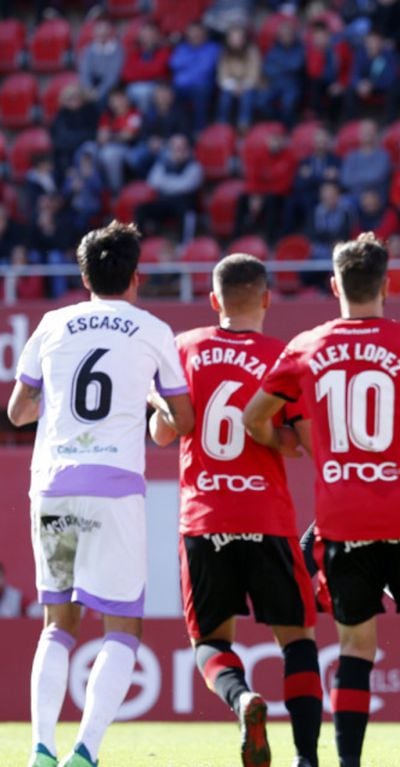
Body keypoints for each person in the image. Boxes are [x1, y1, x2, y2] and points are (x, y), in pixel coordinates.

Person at [243, 234, 400, 767]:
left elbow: (253, 418)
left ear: (334, 285)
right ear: (386, 285)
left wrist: (294, 444)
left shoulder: (307, 345)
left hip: (342, 521)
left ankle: (349, 763)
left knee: (356, 648)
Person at [9, 221, 195, 767]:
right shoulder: (151, 329)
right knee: (122, 625)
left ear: (83, 274)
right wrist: (150, 402)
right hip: (114, 492)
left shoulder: (50, 324)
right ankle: (85, 752)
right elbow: (181, 419)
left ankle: (41, 748)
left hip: (54, 489)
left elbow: (19, 411)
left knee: (58, 621)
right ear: (137, 276)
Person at [149, 254, 321, 767]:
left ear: (213, 300)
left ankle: (241, 698)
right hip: (267, 518)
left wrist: (157, 403)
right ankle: (307, 758)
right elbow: (302, 445)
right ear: (267, 298)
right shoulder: (283, 356)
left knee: (210, 641)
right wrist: (275, 436)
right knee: (298, 641)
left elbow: (163, 433)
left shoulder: (183, 349)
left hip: (205, 519)